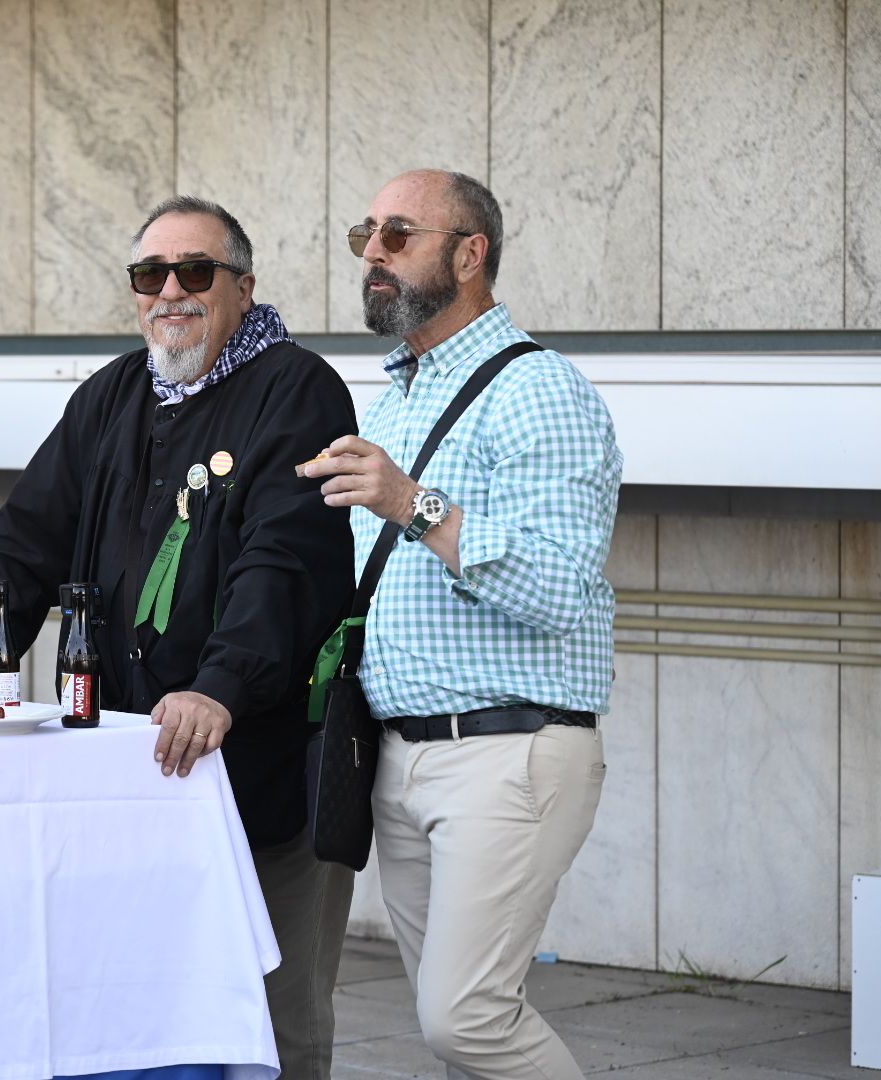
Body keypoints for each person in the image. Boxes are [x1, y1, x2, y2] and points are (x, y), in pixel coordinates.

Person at [0, 196, 358, 1078]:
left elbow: (285, 558)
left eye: (195, 272)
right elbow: (26, 537)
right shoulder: (111, 395)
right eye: (150, 275)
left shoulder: (299, 389)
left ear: (243, 288)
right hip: (119, 779)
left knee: (270, 1022)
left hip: (255, 771)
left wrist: (222, 686)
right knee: (129, 1017)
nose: (170, 291)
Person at [302, 169, 621, 1079]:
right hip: (401, 759)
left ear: (470, 254)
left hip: (506, 752)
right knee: (465, 1036)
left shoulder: (539, 390)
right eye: (366, 233)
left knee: (467, 1020)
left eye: (399, 235)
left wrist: (413, 501)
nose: (372, 252)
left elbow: (561, 587)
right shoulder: (396, 394)